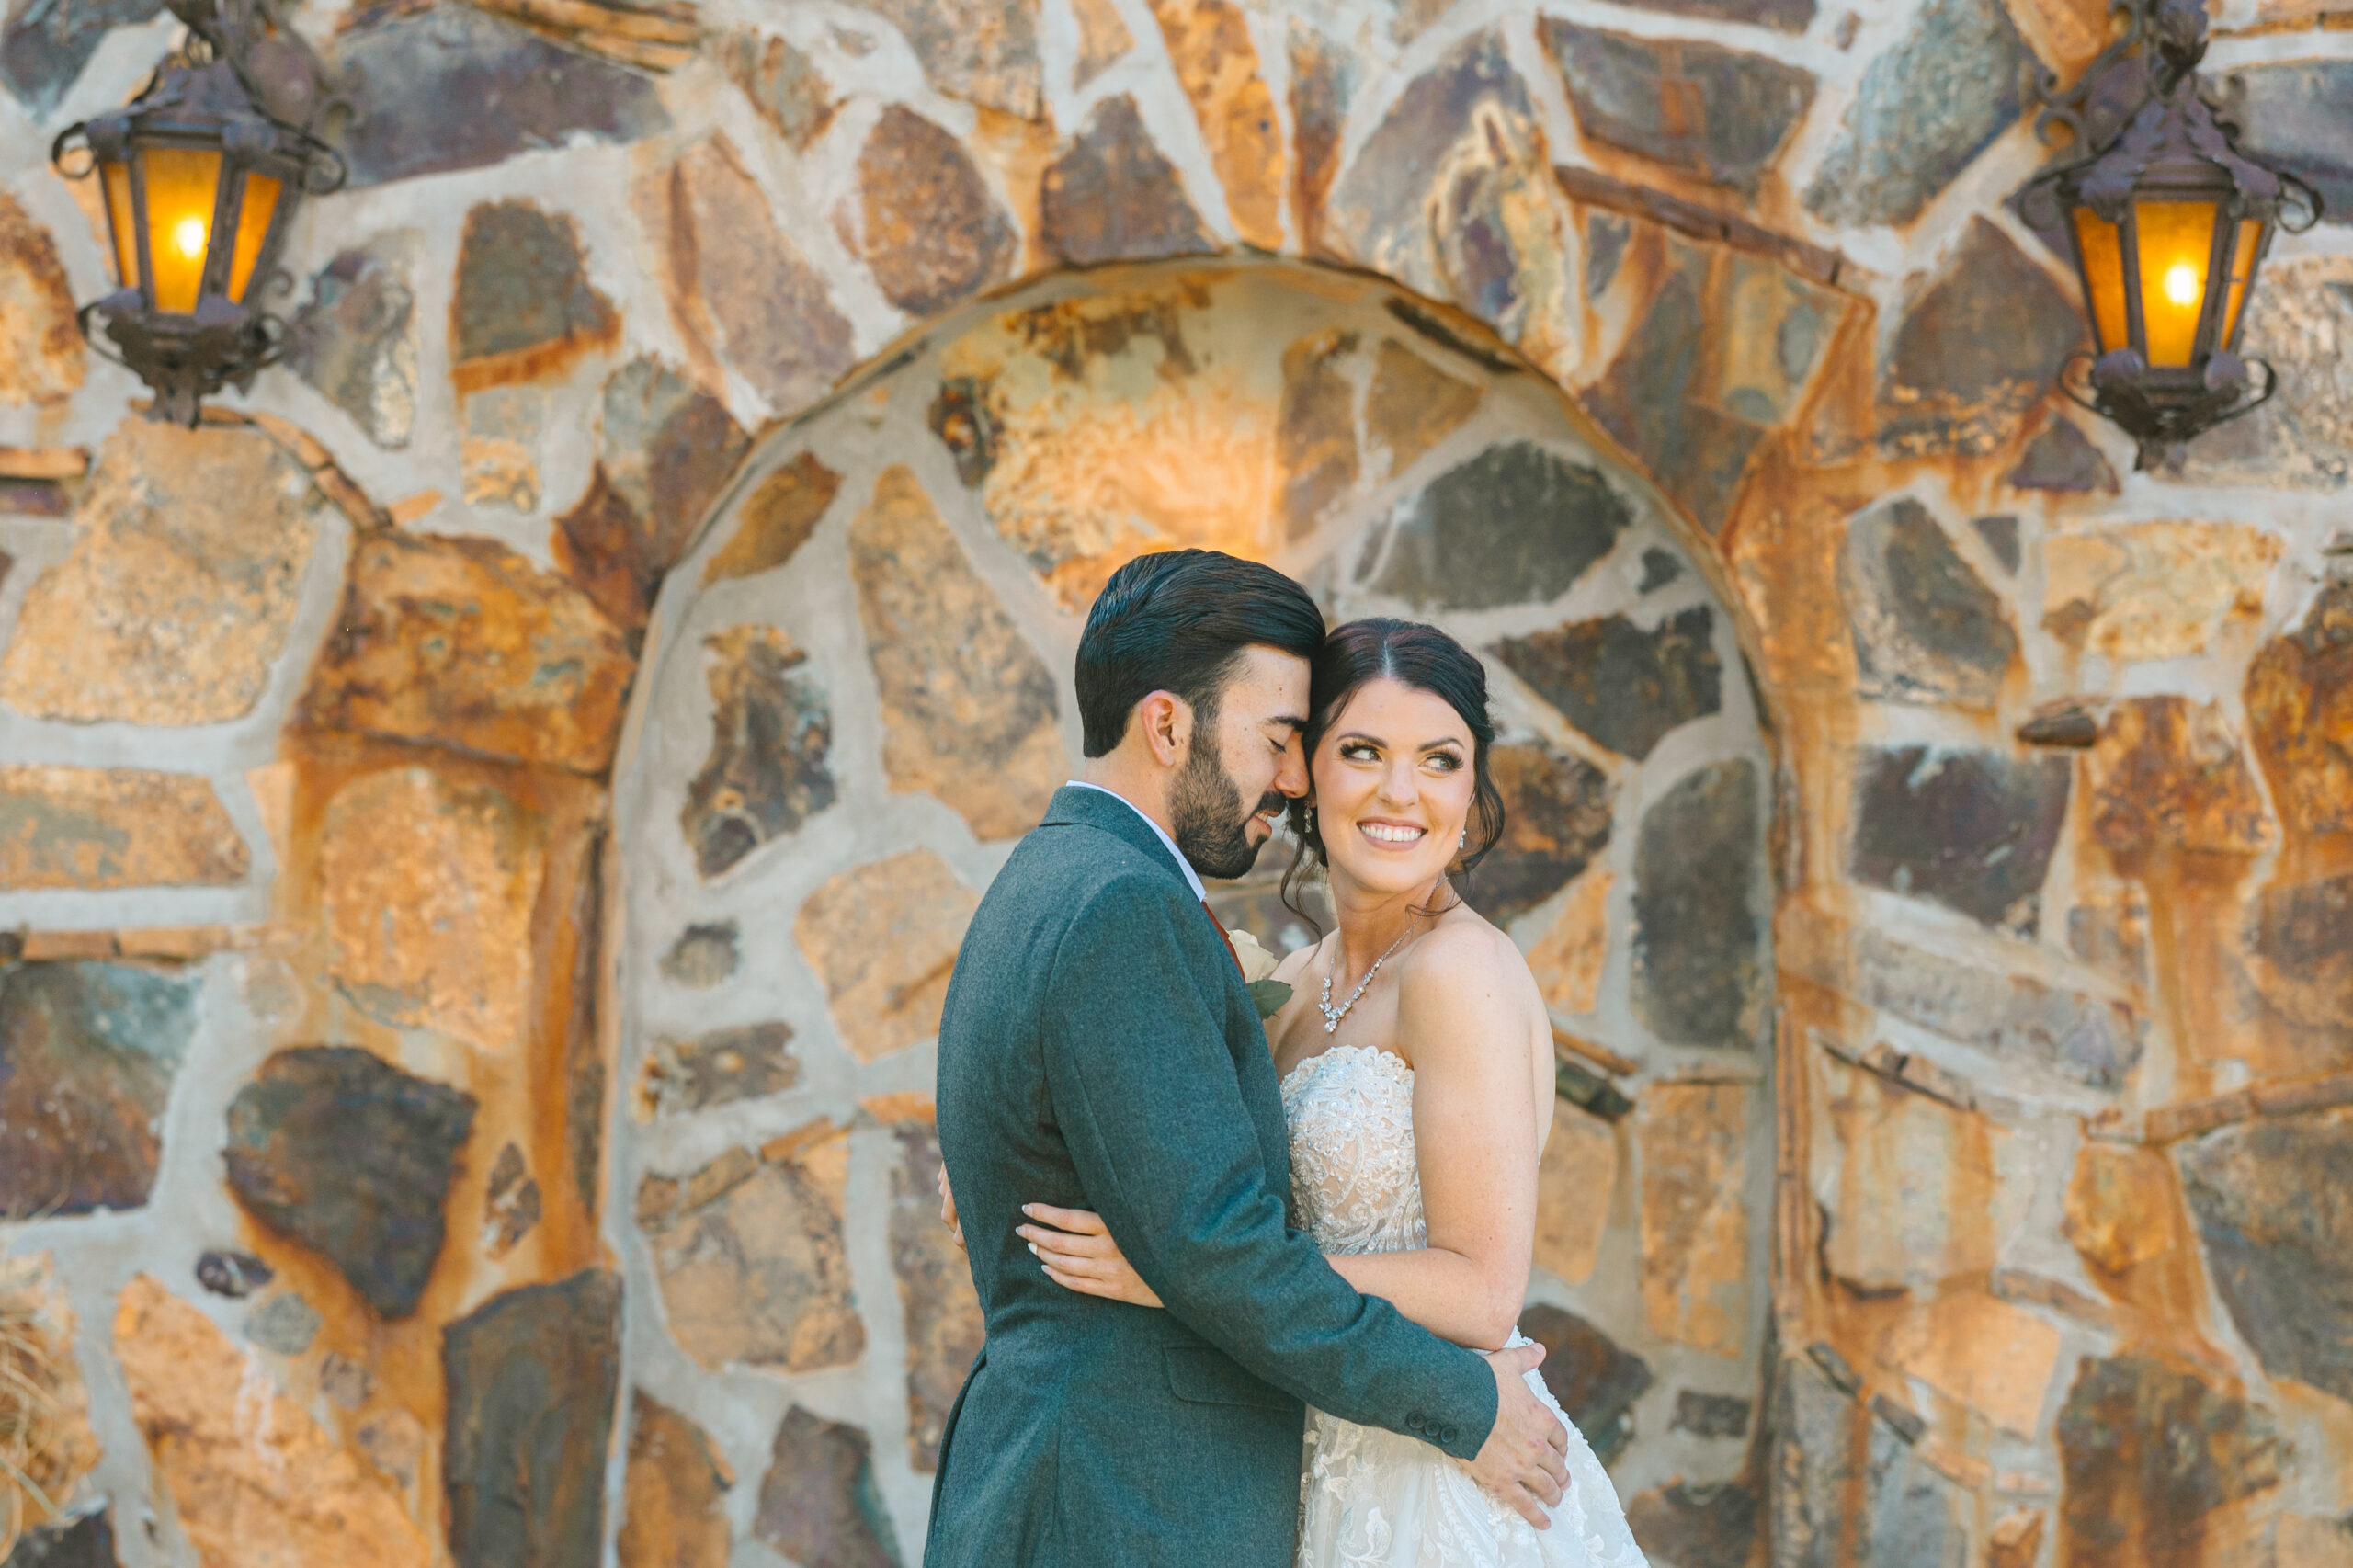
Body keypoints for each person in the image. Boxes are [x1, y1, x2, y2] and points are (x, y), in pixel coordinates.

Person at [927, 556, 1572, 1568]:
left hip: (1294, 1484)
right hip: (1124, 1492)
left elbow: (1207, 1244)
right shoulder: (1137, 910)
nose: (1287, 774)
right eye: (1306, 743)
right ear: (1169, 725)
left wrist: (1169, 1272)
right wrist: (1460, 1403)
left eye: (1441, 760)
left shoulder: (1055, 876)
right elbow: (1212, 1243)